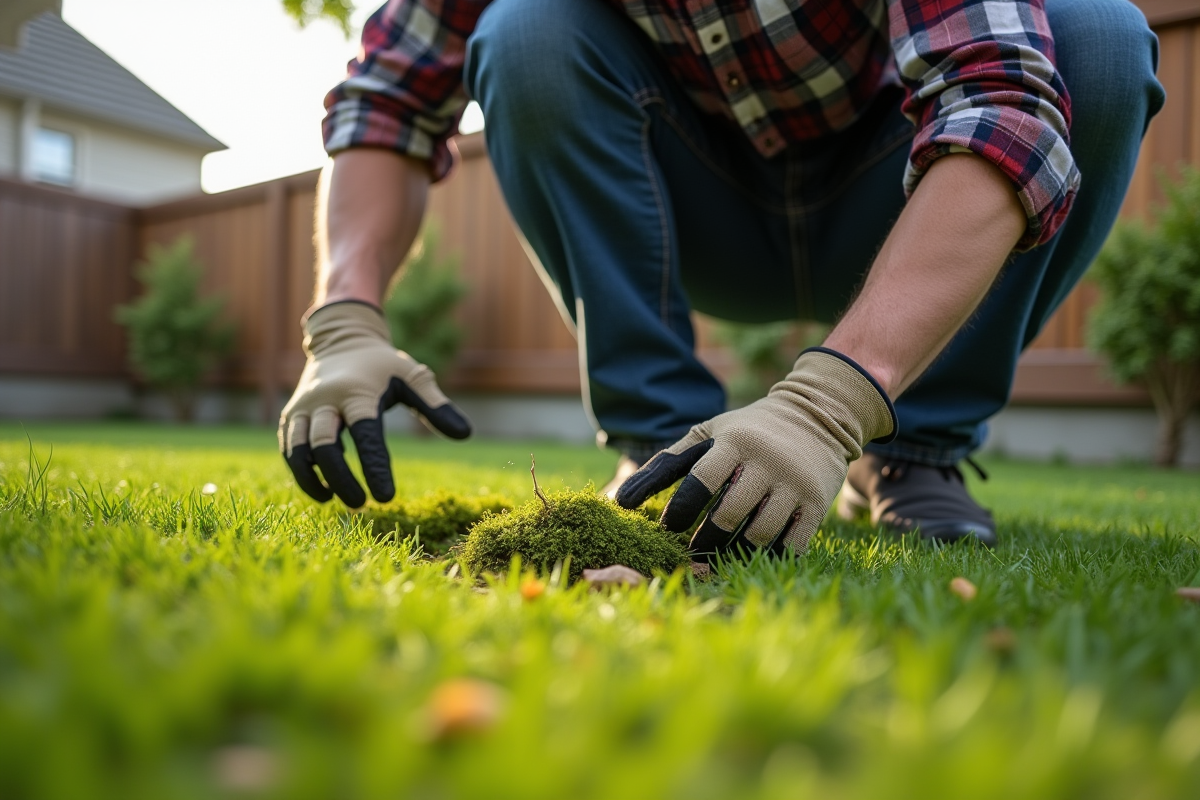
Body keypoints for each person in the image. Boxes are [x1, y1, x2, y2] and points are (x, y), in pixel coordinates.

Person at [279, 0, 1164, 559]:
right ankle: (660, 449)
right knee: (526, 29)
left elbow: (1000, 102)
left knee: (1100, 37)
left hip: (894, 197)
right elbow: (389, 99)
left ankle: (910, 453)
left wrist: (830, 404)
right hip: (700, 211)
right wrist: (344, 318)